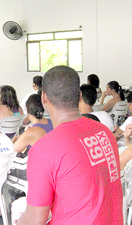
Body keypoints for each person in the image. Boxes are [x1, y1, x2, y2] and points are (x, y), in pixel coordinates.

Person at [16, 66, 123, 225]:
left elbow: (35, 219)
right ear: (79, 96)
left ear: (44, 98)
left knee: (18, 210)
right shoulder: (104, 132)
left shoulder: (44, 149)